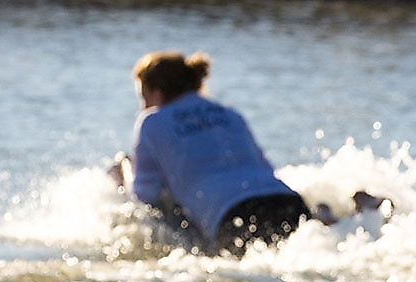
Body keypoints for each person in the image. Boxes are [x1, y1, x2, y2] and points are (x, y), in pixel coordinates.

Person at [106, 51, 377, 257]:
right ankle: (340, 212)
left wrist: (124, 174)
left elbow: (144, 199)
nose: (142, 105)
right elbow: (266, 170)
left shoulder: (152, 121)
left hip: (234, 218)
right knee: (312, 245)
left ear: (156, 91)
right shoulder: (230, 115)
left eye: (143, 96)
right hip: (286, 202)